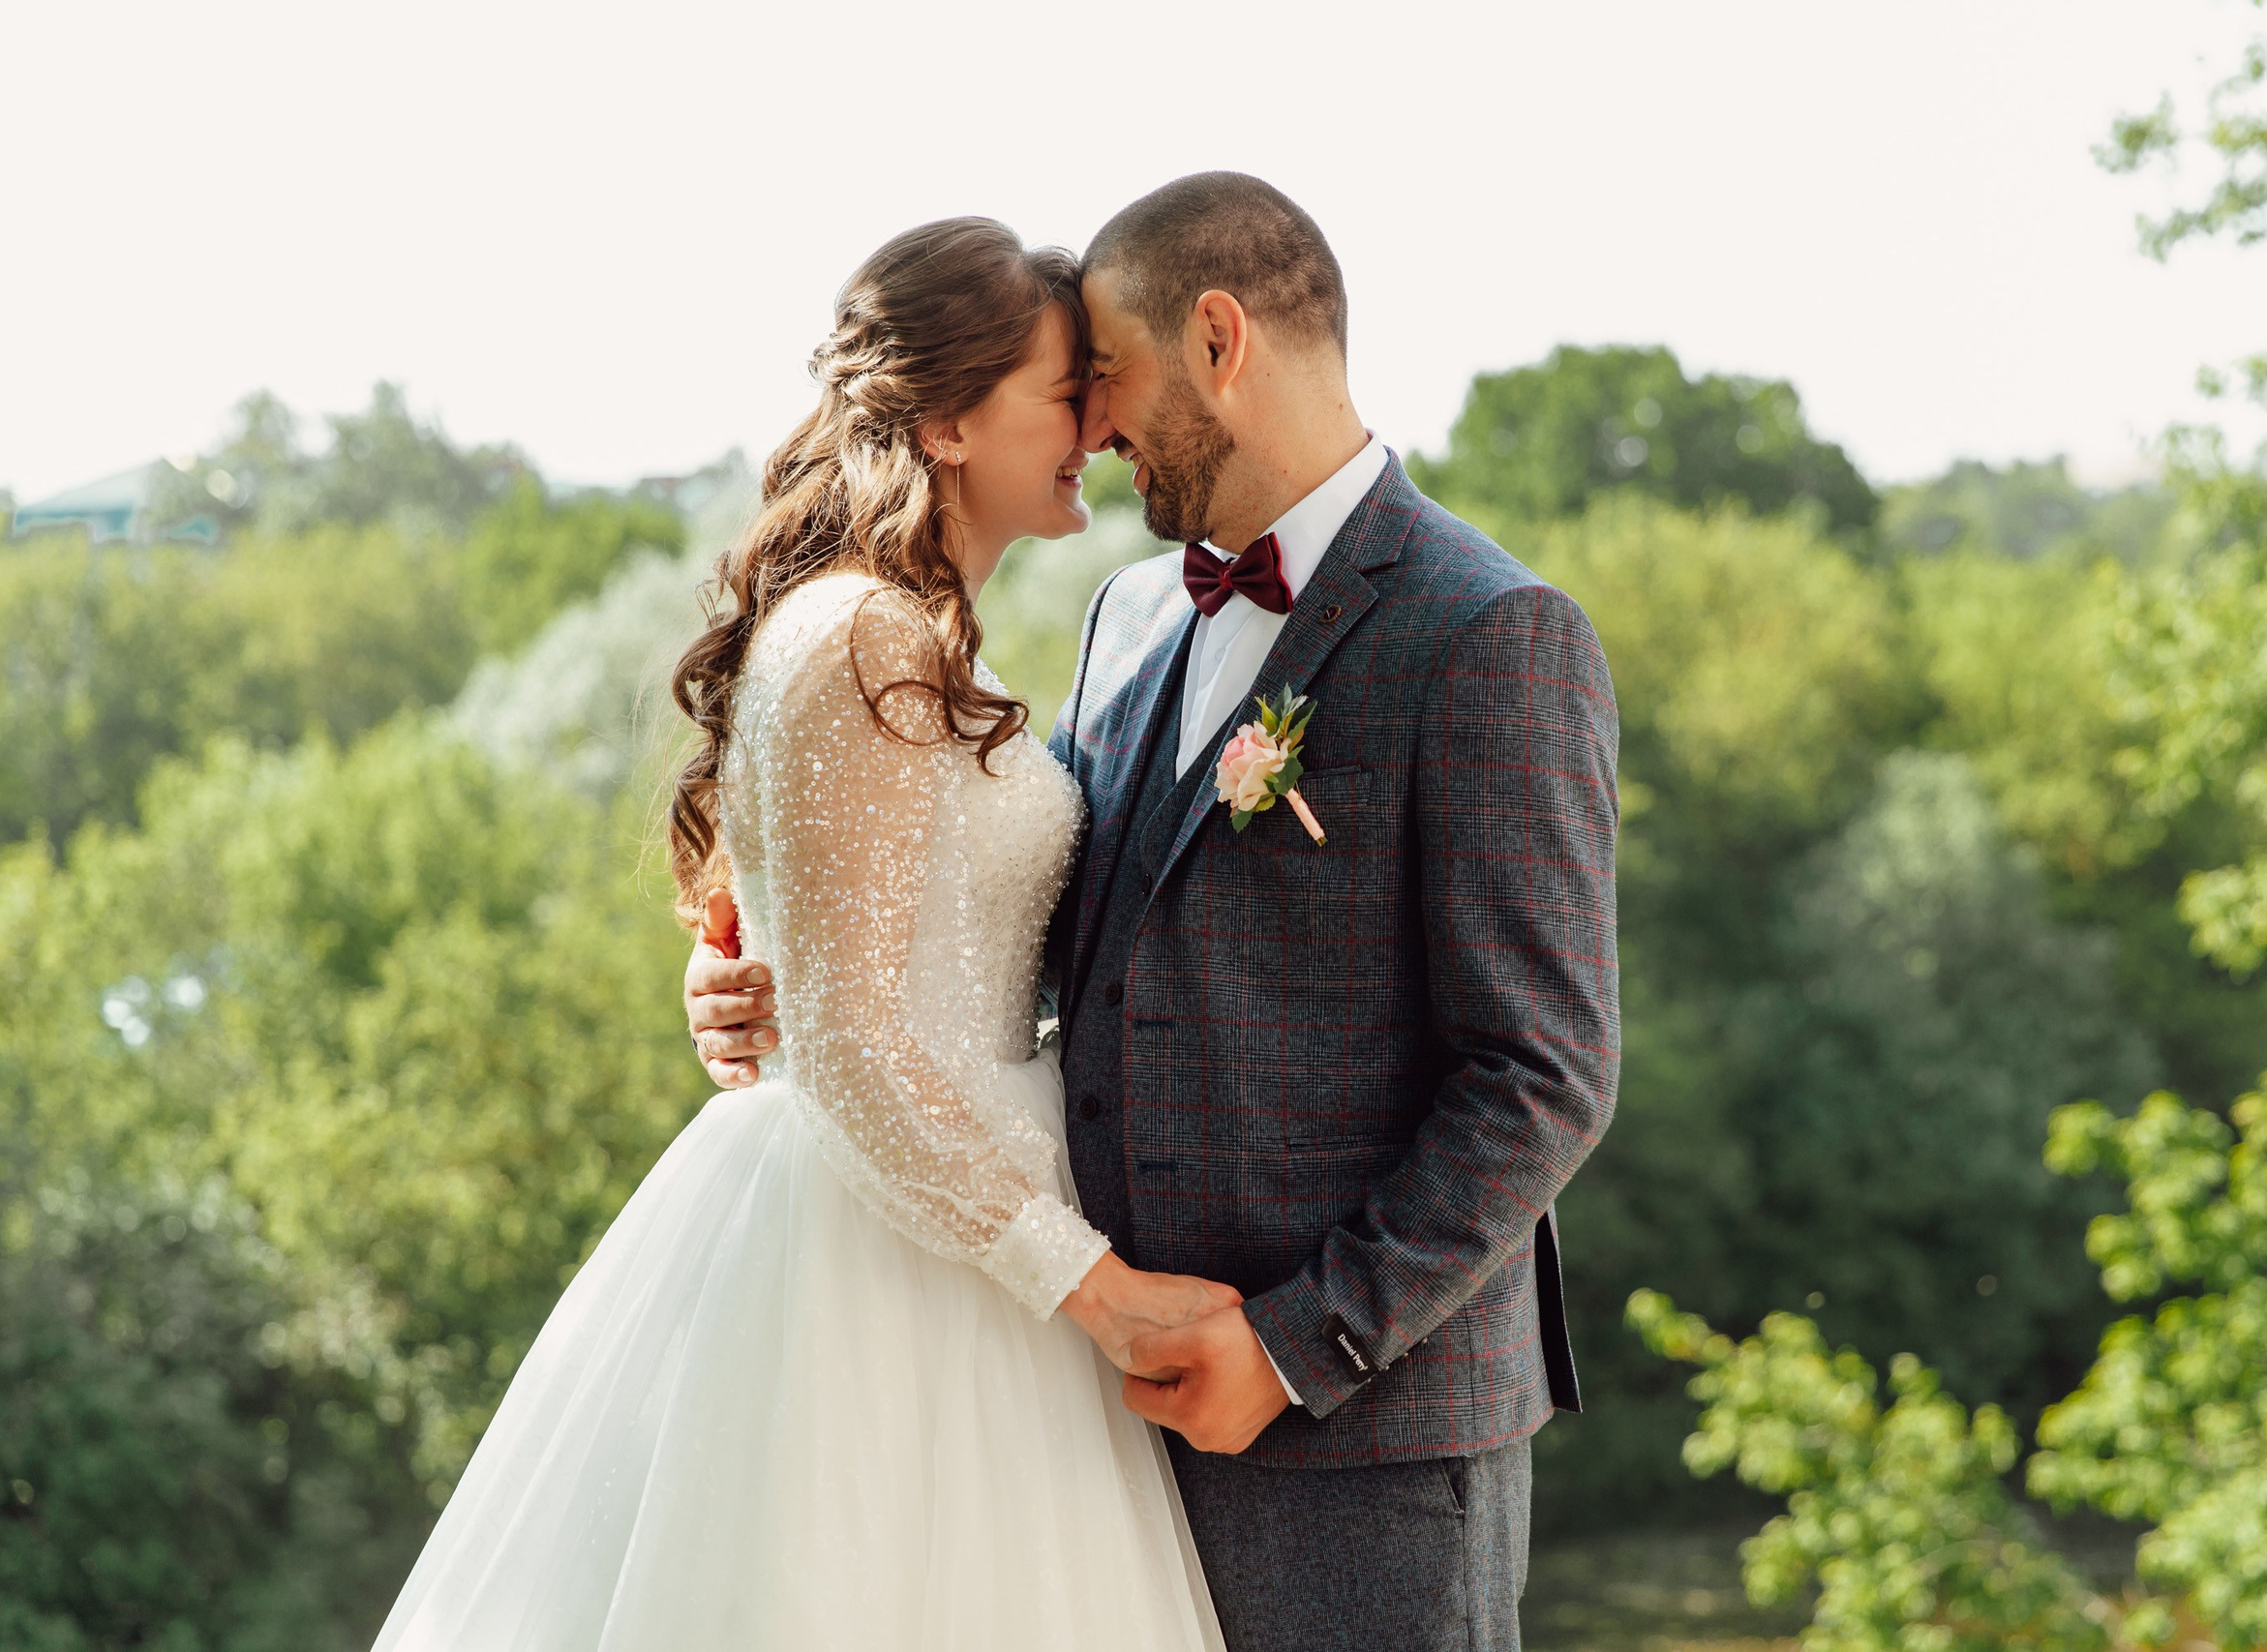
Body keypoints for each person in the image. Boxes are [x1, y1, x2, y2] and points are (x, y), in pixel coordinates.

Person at [689, 173, 1622, 1652]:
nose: (1098, 427)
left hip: (1358, 1439)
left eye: (1107, 378)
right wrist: (777, 981)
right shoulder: (1128, 619)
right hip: (1067, 1408)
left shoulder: (1491, 633)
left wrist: (1293, 1343)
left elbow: (1545, 1077)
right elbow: (1041, 941)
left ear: (1218, 338)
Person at [371, 218, 1233, 1652]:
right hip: (889, 1254)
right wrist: (1100, 1296)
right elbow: (839, 1034)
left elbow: (849, 941)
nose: (1095, 420)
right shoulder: (864, 639)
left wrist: (733, 962)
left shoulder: (922, 635)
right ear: (951, 420)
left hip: (960, 1209)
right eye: (1063, 386)